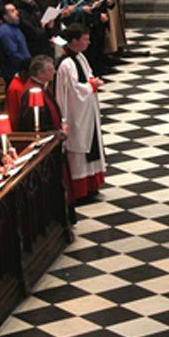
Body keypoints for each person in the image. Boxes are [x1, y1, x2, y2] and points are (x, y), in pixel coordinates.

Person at [56, 25, 107, 204]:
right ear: (74, 41)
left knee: (91, 144)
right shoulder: (66, 63)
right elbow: (74, 90)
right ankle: (80, 190)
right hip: (75, 113)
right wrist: (92, 86)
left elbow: (87, 76)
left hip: (86, 111)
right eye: (85, 39)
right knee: (79, 148)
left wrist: (93, 81)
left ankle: (91, 185)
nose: (88, 42)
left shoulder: (79, 57)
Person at [16, 55, 61, 132]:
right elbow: (31, 120)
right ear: (40, 73)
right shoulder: (32, 92)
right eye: (50, 70)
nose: (54, 72)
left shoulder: (43, 86)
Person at [0, 3, 31, 82]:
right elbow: (13, 54)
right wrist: (27, 66)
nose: (16, 12)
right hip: (15, 73)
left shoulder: (14, 28)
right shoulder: (5, 32)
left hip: (22, 70)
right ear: (5, 16)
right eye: (12, 11)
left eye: (15, 10)